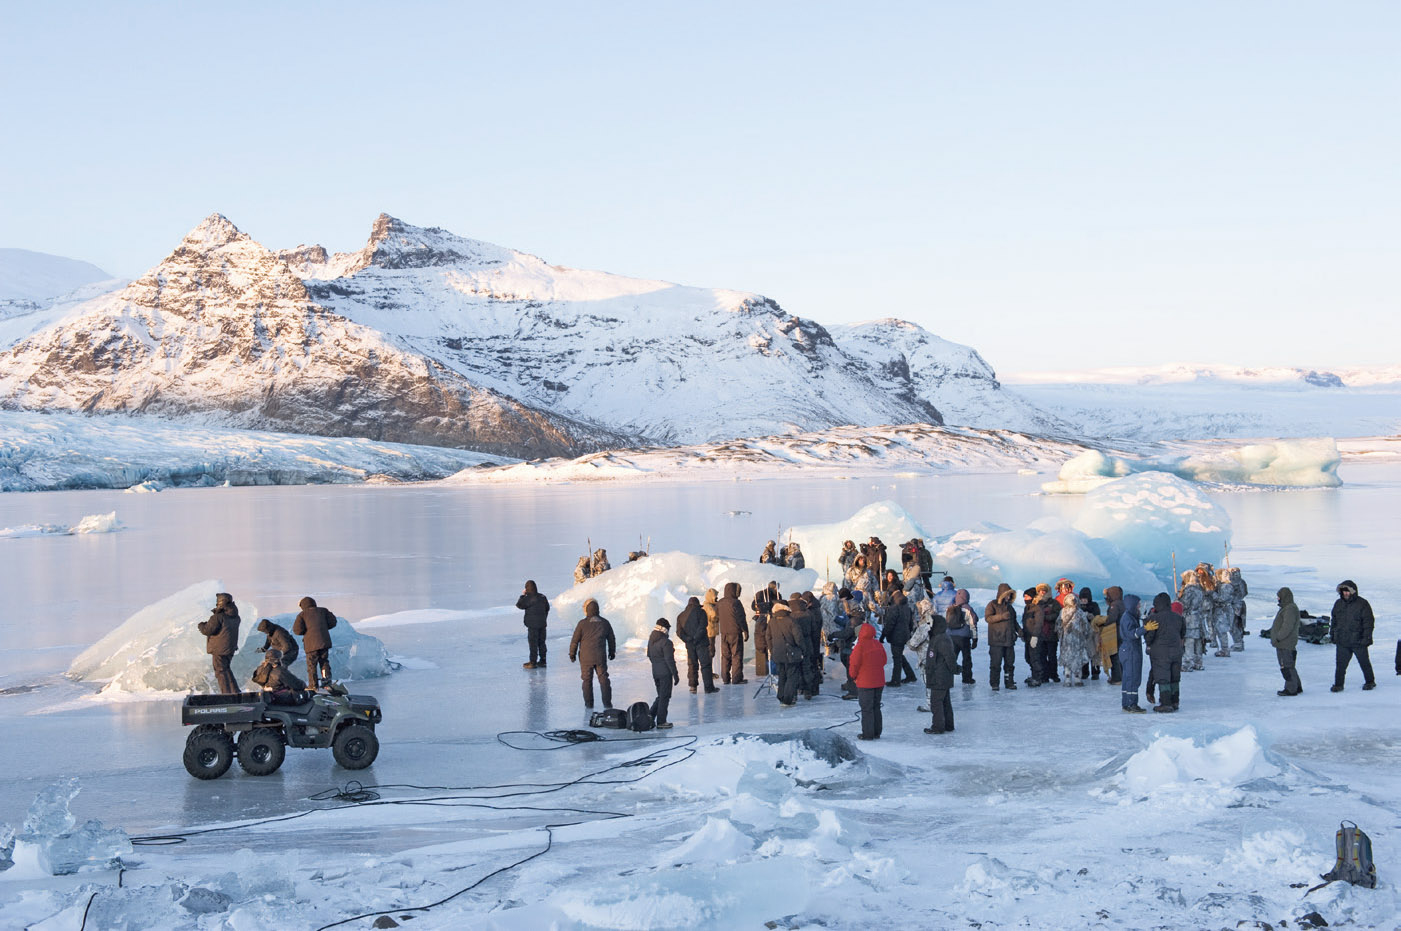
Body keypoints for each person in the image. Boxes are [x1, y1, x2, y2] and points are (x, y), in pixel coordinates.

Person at [568, 598, 616, 709]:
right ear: (598, 609)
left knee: (587, 680)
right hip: (600, 657)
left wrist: (572, 654)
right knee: (603, 679)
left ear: (587, 610)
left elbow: (575, 640)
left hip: (585, 658)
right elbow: (611, 638)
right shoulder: (605, 623)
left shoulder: (582, 624)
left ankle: (589, 704)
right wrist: (612, 652)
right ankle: (607, 704)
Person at [1330, 579, 1376, 692]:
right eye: (1343, 591)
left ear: (1353, 591)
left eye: (1347, 591)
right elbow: (1334, 621)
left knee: (1364, 663)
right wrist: (1333, 635)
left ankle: (1370, 682)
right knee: (1340, 665)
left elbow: (1368, 622)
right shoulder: (1338, 603)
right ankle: (1338, 685)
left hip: (1358, 641)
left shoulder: (1362, 604)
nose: (1345, 593)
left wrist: (1366, 638)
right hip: (1342, 641)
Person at [1144, 593, 1185, 712]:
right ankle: (1175, 701)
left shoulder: (1154, 618)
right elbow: (1183, 633)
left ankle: (1166, 703)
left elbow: (1149, 638)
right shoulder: (1178, 617)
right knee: (1174, 676)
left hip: (1160, 653)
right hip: (1177, 652)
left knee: (1163, 677)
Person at [847, 622, 887, 740]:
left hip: (865, 682)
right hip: (879, 681)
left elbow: (854, 665)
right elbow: (884, 660)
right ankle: (876, 732)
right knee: (876, 706)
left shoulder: (860, 646)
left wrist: (853, 677)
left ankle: (867, 734)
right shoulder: (878, 644)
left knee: (866, 708)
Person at [198, 592, 241, 694]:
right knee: (226, 670)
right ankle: (234, 692)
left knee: (220, 672)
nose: (216, 604)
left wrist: (201, 625)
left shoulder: (218, 617)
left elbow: (207, 630)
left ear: (221, 603)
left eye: (217, 602)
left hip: (219, 649)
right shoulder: (235, 616)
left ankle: (227, 694)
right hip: (229, 648)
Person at [922, 610, 958, 734]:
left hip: (939, 677)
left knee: (936, 702)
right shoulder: (938, 637)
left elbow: (949, 657)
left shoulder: (941, 639)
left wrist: (955, 669)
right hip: (941, 676)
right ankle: (948, 725)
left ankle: (938, 726)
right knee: (945, 701)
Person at [292, 595, 337, 689]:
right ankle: (327, 682)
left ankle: (313, 686)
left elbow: (297, 630)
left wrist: (307, 631)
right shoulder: (323, 611)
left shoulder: (302, 615)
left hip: (311, 644)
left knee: (312, 665)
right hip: (324, 642)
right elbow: (333, 622)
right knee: (324, 662)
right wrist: (323, 628)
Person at [983, 583, 1020, 691]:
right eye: (1007, 595)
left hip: (1009, 641)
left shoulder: (1010, 608)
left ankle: (1009, 682)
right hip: (996, 640)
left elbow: (1014, 622)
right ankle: (995, 684)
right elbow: (988, 618)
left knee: (1009, 664)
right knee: (995, 664)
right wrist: (1001, 616)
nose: (1008, 597)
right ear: (1002, 594)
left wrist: (1019, 631)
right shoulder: (992, 605)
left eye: (1010, 595)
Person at [677, 596, 717, 693]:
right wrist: (696, 638)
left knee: (692, 665)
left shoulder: (681, 616)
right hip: (701, 643)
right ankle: (708, 688)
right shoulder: (701, 612)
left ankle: (692, 686)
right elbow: (703, 627)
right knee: (705, 665)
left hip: (690, 645)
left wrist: (688, 639)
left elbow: (679, 632)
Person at [768, 604, 805, 706]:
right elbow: (798, 638)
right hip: (791, 653)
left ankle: (781, 696)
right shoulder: (791, 621)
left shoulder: (772, 621)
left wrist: (772, 649)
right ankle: (787, 699)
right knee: (791, 676)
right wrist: (801, 649)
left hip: (777, 653)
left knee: (782, 676)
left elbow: (768, 637)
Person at [647, 619, 680, 728]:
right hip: (665, 673)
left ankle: (650, 715)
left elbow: (649, 655)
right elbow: (669, 660)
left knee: (661, 696)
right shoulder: (666, 642)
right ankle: (661, 722)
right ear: (665, 629)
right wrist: (675, 674)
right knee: (664, 697)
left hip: (655, 672)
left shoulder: (651, 640)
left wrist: (657, 665)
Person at [1269, 587, 1302, 696]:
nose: (1277, 598)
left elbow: (1287, 626)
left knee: (1286, 666)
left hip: (1285, 643)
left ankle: (1291, 689)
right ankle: (1297, 686)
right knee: (1289, 665)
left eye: (1279, 596)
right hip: (1284, 642)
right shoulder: (1286, 608)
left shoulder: (1289, 609)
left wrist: (1278, 637)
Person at [881, 590, 917, 687]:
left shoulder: (894, 608)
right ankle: (910, 675)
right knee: (899, 655)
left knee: (897, 657)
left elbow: (890, 624)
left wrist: (883, 635)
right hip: (904, 635)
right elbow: (911, 623)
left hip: (896, 636)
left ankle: (895, 681)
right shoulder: (906, 607)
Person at [1118, 592, 1146, 713]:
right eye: (1138, 604)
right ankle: (1131, 703)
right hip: (1130, 651)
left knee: (1127, 677)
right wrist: (1145, 629)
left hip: (1127, 650)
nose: (1139, 606)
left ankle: (1126, 702)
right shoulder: (1128, 617)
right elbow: (1130, 634)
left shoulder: (1129, 616)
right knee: (1133, 678)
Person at [716, 582, 750, 685]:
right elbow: (741, 618)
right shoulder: (736, 603)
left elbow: (717, 616)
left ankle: (725, 678)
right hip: (735, 633)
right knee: (736, 655)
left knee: (725, 656)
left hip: (724, 633)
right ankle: (736, 679)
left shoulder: (720, 603)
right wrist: (745, 631)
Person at [791, 594, 823, 698]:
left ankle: (799, 688)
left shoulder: (790, 615)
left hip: (795, 644)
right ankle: (809, 690)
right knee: (807, 667)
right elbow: (815, 631)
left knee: (796, 667)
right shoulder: (809, 614)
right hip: (808, 643)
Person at [1179, 569, 1210, 671]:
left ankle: (1188, 663)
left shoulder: (1189, 590)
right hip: (1199, 618)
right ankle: (1198, 662)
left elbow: (1185, 605)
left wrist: (1178, 599)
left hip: (1189, 619)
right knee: (1198, 641)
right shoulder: (1200, 589)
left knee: (1189, 641)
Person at [945, 588, 978, 684]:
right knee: (966, 658)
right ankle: (967, 678)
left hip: (951, 637)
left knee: (952, 657)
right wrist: (975, 639)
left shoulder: (950, 607)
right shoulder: (968, 609)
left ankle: (947, 677)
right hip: (964, 638)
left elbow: (946, 622)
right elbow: (973, 624)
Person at [1058, 595, 1091, 686]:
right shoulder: (1080, 612)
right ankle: (1077, 679)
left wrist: (1061, 635)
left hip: (1066, 641)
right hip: (1078, 641)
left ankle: (1067, 679)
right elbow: (1086, 626)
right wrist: (1085, 635)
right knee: (1077, 659)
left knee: (1067, 659)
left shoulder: (1063, 611)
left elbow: (1058, 625)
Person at [517, 580, 550, 669]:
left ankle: (532, 662)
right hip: (542, 624)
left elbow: (519, 605)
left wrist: (523, 595)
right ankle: (543, 661)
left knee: (533, 643)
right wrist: (543, 618)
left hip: (532, 625)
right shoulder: (542, 597)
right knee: (542, 642)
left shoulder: (527, 598)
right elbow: (547, 608)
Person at [751, 581, 779, 679]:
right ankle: (772, 669)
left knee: (762, 643)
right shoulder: (776, 595)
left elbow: (753, 606)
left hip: (762, 621)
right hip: (770, 620)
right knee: (772, 643)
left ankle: (762, 669)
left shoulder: (759, 593)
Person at [1033, 583, 1060, 683]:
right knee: (1042, 655)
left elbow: (1058, 615)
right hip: (1040, 634)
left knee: (1052, 656)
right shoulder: (1036, 603)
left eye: (1044, 591)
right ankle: (1044, 675)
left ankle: (1054, 674)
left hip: (1051, 633)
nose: (1042, 592)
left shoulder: (1054, 603)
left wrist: (1046, 617)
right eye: (1040, 591)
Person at [1097, 587, 1124, 685]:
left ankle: (1117, 678)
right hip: (1123, 632)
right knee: (1122, 655)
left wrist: (1102, 623)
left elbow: (1112, 618)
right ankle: (1123, 676)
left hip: (1116, 632)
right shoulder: (1122, 603)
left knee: (1114, 655)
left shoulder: (1115, 605)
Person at [1020, 587, 1044, 687]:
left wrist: (1035, 636)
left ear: (1032, 597)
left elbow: (1038, 623)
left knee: (1035, 658)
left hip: (1035, 637)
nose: (1025, 598)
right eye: (1024, 596)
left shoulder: (1037, 608)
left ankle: (1037, 678)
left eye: (1027, 596)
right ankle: (1034, 674)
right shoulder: (1027, 608)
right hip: (1028, 637)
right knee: (1028, 657)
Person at [1211, 567, 1236, 658]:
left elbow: (1222, 598)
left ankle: (1225, 650)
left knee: (1222, 630)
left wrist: (1212, 593)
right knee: (1219, 630)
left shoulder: (1226, 586)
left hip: (1224, 611)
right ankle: (1224, 648)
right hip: (1220, 611)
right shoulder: (1222, 586)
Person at [1078, 587, 1102, 680]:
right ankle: (1084, 672)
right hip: (1082, 633)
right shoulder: (1078, 607)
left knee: (1094, 653)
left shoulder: (1094, 605)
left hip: (1093, 633)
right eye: (1082, 599)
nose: (1083, 600)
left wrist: (1090, 616)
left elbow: (1097, 618)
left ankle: (1095, 672)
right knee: (1083, 653)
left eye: (1085, 599)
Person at [702, 588, 721, 679]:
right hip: (710, 632)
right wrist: (718, 617)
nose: (717, 598)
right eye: (715, 597)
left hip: (710, 632)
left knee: (711, 652)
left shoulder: (709, 605)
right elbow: (713, 615)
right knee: (711, 652)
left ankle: (709, 672)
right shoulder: (708, 606)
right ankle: (709, 673)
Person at [1229, 566, 1248, 651]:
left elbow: (1243, 593)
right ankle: (1239, 642)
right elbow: (1245, 593)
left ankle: (1238, 643)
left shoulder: (1233, 582)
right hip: (1240, 605)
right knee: (1238, 625)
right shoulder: (1242, 582)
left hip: (1236, 606)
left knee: (1234, 625)